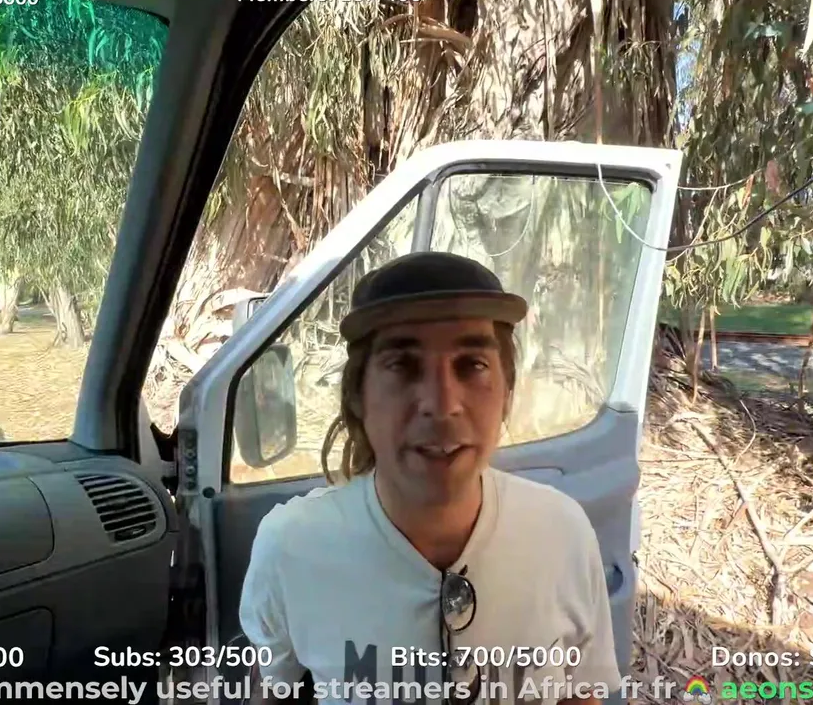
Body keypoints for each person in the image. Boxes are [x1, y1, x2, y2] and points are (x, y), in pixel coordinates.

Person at [239, 252, 622, 705]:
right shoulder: (291, 548)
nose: (442, 406)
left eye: (472, 365)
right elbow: (271, 690)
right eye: (403, 366)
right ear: (357, 396)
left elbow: (580, 695)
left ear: (507, 392)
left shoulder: (562, 532)